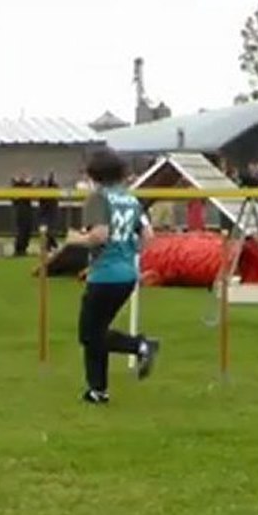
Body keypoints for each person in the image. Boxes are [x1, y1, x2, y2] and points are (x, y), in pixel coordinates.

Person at [67, 148, 160, 405]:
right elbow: (148, 237)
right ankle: (98, 390)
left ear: (94, 174)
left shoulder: (98, 199)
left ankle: (140, 345)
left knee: (89, 335)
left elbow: (99, 235)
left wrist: (75, 239)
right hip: (126, 274)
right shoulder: (131, 200)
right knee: (97, 332)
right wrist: (128, 252)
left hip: (105, 275)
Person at [11, 171, 34, 256]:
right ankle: (19, 249)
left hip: (27, 209)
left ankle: (23, 248)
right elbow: (14, 198)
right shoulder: (16, 187)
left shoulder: (27, 187)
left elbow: (31, 193)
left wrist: (27, 182)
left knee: (27, 229)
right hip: (20, 209)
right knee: (21, 229)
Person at [37, 171, 60, 250]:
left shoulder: (55, 186)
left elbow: (57, 194)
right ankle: (50, 246)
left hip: (52, 211)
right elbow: (38, 194)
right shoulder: (40, 185)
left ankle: (52, 246)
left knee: (51, 231)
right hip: (43, 211)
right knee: (44, 230)